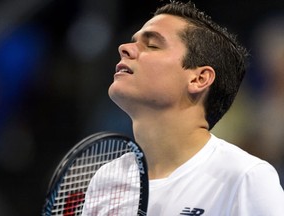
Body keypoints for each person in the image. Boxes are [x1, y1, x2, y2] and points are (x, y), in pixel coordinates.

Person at [82, 1, 284, 215]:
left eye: (152, 45)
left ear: (199, 78)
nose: (124, 48)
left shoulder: (245, 176)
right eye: (134, 41)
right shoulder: (107, 180)